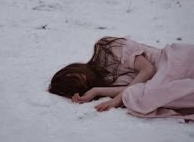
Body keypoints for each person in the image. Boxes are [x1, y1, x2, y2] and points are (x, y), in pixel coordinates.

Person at [49, 37, 194, 120]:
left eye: (76, 77)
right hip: (162, 82)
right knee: (139, 96)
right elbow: (135, 87)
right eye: (78, 86)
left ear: (73, 69)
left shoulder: (106, 49)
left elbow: (147, 70)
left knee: (141, 97)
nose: (82, 79)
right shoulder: (106, 81)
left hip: (173, 62)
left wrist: (117, 99)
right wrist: (96, 90)